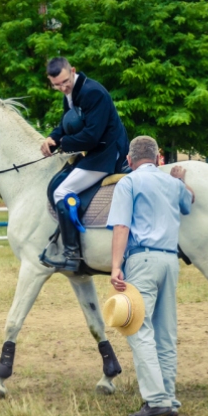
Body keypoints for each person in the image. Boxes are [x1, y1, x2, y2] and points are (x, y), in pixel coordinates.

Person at [106, 136, 194, 416]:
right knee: (165, 332)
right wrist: (181, 181)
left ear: (129, 161)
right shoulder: (172, 183)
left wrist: (116, 265)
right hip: (170, 260)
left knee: (138, 328)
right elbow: (189, 201)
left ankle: (155, 399)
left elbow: (121, 224)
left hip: (142, 260)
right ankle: (168, 398)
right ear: (158, 159)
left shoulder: (128, 183)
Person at [39, 57, 129, 272]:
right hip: (94, 152)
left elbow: (91, 136)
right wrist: (52, 138)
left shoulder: (93, 92)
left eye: (64, 81)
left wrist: (62, 143)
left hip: (108, 153)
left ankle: (72, 253)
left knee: (62, 192)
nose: (62, 87)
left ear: (73, 70)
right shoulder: (71, 93)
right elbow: (66, 122)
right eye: (57, 85)